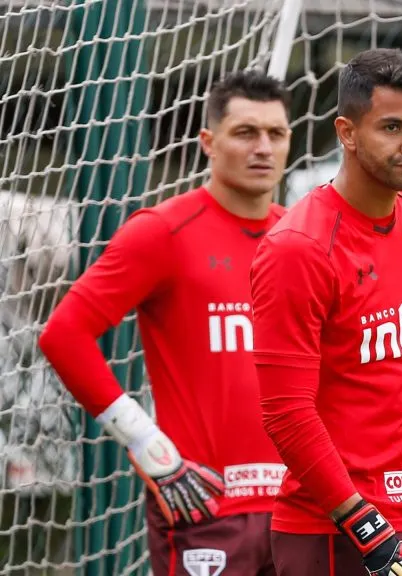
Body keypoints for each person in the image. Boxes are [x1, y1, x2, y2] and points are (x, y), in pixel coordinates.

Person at [38, 69, 292, 575]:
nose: (263, 147)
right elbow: (63, 335)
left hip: (301, 508)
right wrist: (145, 443)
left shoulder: (300, 239)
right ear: (208, 142)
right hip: (206, 505)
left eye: (276, 134)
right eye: (245, 132)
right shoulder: (163, 233)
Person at [248, 48, 402, 576]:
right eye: (393, 127)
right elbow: (287, 414)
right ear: (347, 133)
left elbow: (398, 384)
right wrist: (368, 529)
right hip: (338, 532)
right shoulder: (298, 248)